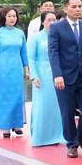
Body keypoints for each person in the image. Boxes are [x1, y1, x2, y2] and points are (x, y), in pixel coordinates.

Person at [48, 0, 82, 158]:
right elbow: (53, 53)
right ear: (66, 9)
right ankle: (72, 144)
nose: (78, 10)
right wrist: (57, 75)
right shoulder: (56, 28)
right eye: (74, 7)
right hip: (65, 77)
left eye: (80, 6)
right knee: (67, 111)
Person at [0, 7, 29, 138]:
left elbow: (24, 52)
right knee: (3, 97)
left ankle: (17, 124)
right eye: (9, 16)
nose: (12, 18)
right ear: (3, 18)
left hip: (16, 69)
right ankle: (4, 125)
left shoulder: (20, 33)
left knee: (17, 96)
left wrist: (26, 69)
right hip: (1, 70)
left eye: (14, 16)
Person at [27, 10, 66, 146]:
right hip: (41, 75)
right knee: (42, 105)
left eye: (54, 19)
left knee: (57, 105)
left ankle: (57, 135)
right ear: (42, 22)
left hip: (57, 75)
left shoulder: (59, 37)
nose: (52, 22)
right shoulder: (36, 38)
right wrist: (34, 76)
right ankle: (41, 137)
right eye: (49, 20)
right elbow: (31, 58)